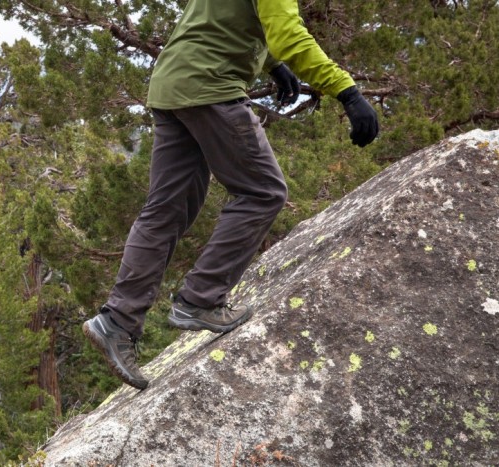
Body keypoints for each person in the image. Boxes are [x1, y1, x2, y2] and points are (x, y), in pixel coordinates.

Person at [82, 0, 379, 390]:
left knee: (166, 211)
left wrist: (272, 64)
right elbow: (290, 34)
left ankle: (117, 320)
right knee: (263, 192)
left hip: (171, 85)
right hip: (211, 88)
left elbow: (222, 17)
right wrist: (347, 91)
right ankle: (201, 299)